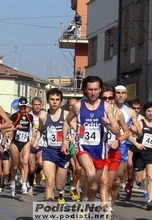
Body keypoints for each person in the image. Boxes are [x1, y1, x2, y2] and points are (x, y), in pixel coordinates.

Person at [61, 76, 120, 206]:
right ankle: (84, 200)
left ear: (100, 90)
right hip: (83, 147)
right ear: (85, 90)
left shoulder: (106, 107)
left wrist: (109, 125)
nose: (93, 92)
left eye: (95, 89)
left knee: (94, 187)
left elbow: (116, 130)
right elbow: (66, 121)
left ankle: (86, 204)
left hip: (100, 150)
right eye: (90, 89)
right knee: (90, 173)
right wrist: (64, 141)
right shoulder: (78, 106)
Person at [34, 88, 71, 203]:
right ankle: (49, 212)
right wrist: (36, 140)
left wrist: (69, 141)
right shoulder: (43, 116)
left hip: (63, 153)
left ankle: (61, 191)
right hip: (49, 151)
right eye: (52, 99)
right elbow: (40, 130)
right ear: (48, 101)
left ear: (61, 101)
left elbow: (78, 130)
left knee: (59, 186)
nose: (54, 102)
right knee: (50, 182)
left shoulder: (66, 115)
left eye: (57, 99)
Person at [99, 84, 129, 216]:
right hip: (101, 153)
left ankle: (108, 203)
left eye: (110, 98)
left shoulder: (118, 114)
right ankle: (106, 211)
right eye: (104, 98)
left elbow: (126, 133)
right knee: (104, 182)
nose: (108, 101)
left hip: (115, 153)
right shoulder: (96, 113)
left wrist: (118, 140)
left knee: (112, 184)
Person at [9, 96, 35, 197]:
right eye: (21, 107)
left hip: (25, 142)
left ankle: (24, 184)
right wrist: (15, 128)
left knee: (25, 162)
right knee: (15, 165)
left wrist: (33, 136)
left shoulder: (30, 116)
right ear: (19, 107)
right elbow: (8, 128)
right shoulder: (14, 116)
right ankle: (12, 183)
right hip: (15, 142)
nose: (23, 109)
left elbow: (33, 125)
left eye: (25, 107)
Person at [28, 97, 44, 196]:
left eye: (39, 104)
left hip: (41, 144)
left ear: (41, 105)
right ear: (32, 105)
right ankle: (31, 187)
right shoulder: (29, 116)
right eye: (35, 105)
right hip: (30, 144)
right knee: (31, 168)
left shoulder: (44, 116)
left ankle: (39, 172)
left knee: (41, 163)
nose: (37, 106)